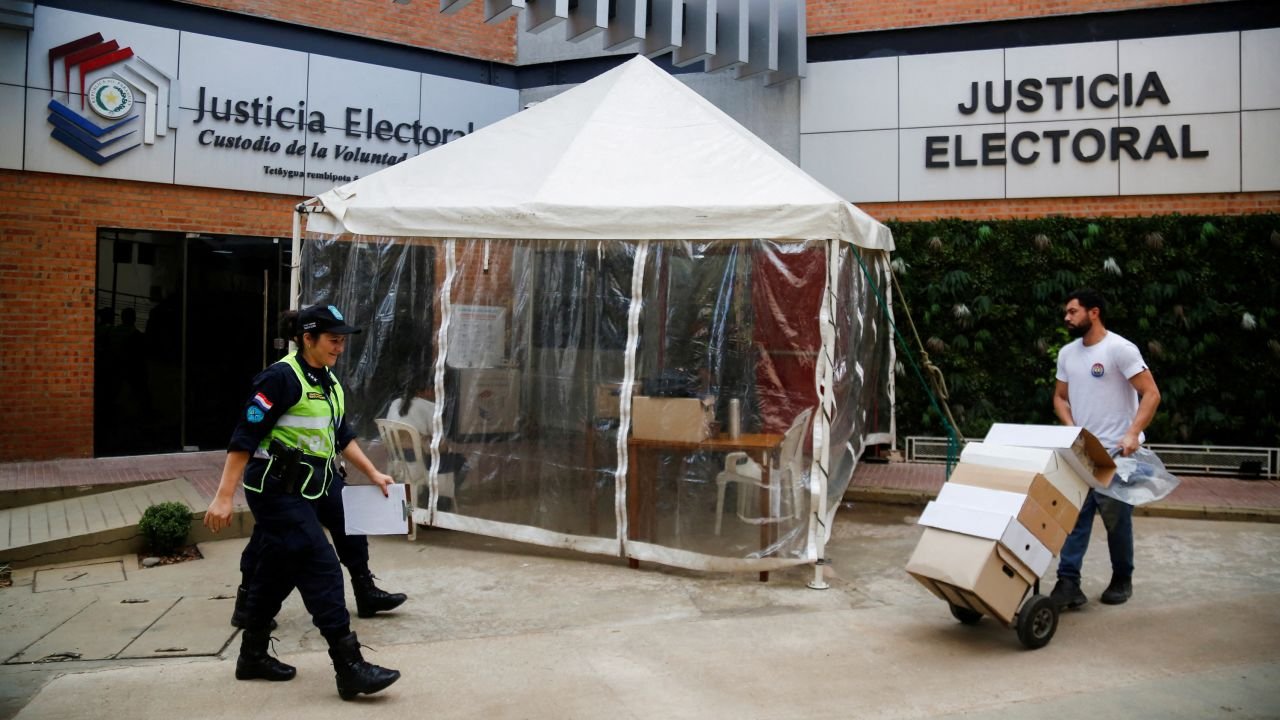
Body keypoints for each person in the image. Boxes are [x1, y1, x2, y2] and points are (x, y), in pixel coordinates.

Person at [203, 304, 401, 700]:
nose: (339, 348)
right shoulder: (280, 378)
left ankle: (253, 655)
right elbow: (244, 436)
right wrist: (223, 496)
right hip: (277, 491)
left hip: (314, 486)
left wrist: (373, 472)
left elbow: (341, 435)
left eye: (343, 341)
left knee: (279, 568)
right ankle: (350, 668)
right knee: (321, 566)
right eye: (332, 341)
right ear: (307, 338)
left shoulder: (328, 380)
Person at [1051, 288, 1161, 609]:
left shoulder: (1119, 349)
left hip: (1116, 455)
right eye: (1066, 312)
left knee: (1116, 520)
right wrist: (1071, 427)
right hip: (1083, 452)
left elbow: (1151, 393)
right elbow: (1060, 396)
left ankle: (1122, 578)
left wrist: (1132, 433)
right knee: (1074, 517)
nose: (1067, 317)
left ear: (1094, 312)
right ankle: (1068, 582)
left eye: (1073, 312)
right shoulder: (1067, 354)